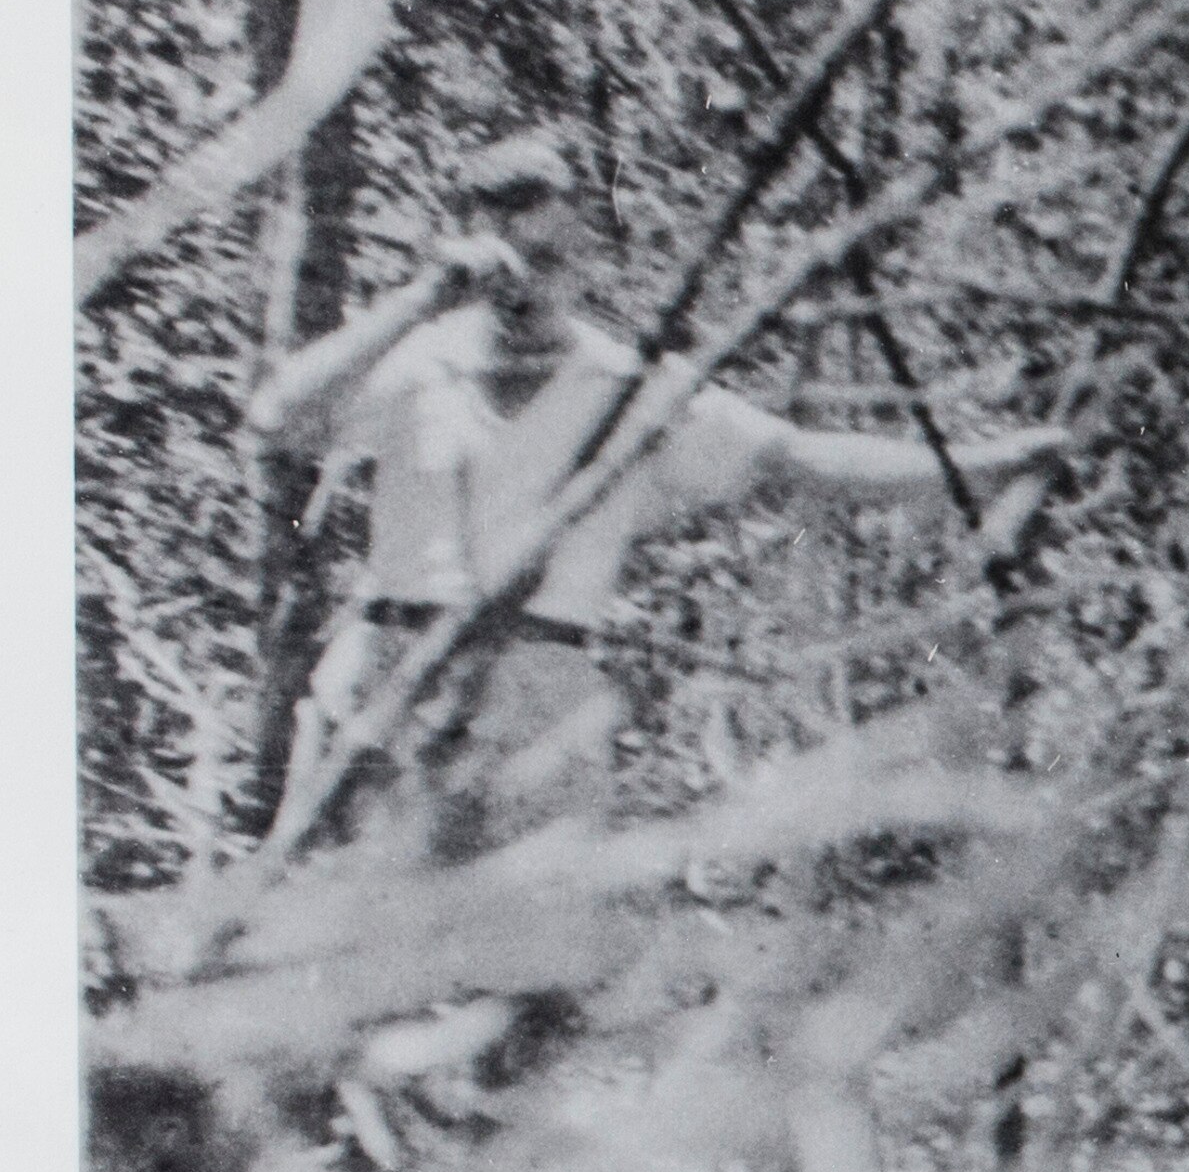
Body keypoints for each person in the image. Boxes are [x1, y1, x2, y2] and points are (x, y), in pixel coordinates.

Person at [250, 120, 1064, 862]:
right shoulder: (417, 357)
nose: (527, 283)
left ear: (589, 258)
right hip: (386, 681)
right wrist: (422, 297)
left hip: (538, 695)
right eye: (508, 256)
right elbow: (280, 419)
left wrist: (989, 462)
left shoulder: (625, 386)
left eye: (553, 258)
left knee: (518, 972)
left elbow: (796, 458)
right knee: (330, 955)